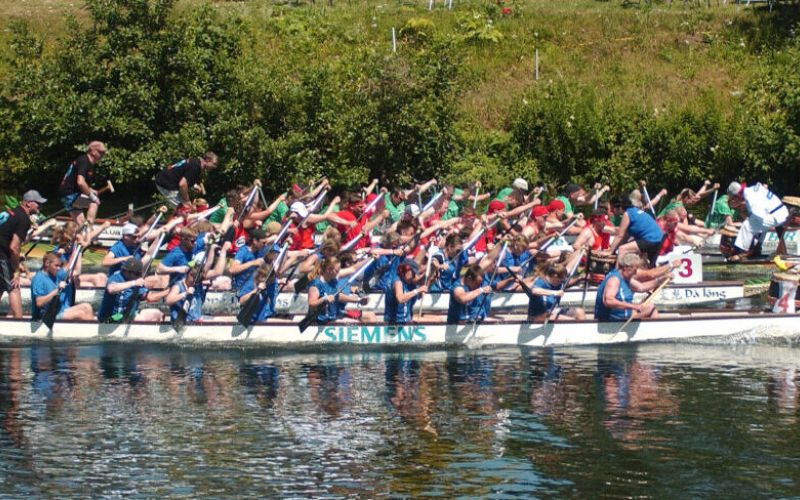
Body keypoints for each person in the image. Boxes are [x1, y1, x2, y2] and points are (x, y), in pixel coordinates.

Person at [0, 190, 45, 318]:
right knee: (14, 288)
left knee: (1, 287)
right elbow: (14, 247)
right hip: (2, 255)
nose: (40, 207)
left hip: (3, 252)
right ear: (28, 203)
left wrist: (31, 233)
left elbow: (19, 241)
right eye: (38, 204)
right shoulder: (23, 218)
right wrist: (16, 271)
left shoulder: (14, 212)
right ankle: (19, 322)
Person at [726, 181, 789, 259]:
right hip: (782, 212)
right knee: (759, 223)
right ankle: (758, 248)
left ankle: (739, 253)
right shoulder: (752, 189)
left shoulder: (749, 198)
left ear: (737, 196)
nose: (733, 201)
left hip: (777, 216)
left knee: (747, 225)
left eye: (733, 199)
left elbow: (757, 216)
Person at [97, 258, 169, 323]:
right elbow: (111, 289)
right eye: (137, 274)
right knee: (140, 319)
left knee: (157, 313)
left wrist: (167, 292)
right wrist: (134, 283)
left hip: (125, 315)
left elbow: (149, 298)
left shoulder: (136, 280)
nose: (139, 276)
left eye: (140, 274)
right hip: (109, 319)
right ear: (127, 272)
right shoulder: (116, 277)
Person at [595, 253, 662, 321]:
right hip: (612, 322)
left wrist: (660, 280)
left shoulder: (625, 278)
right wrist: (634, 306)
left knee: (650, 307)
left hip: (624, 318)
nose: (635, 273)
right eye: (634, 270)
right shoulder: (614, 280)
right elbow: (608, 301)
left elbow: (642, 287)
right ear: (626, 268)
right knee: (649, 308)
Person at [31, 251, 94, 321]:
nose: (58, 268)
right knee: (81, 313)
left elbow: (76, 271)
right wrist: (57, 290)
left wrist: (79, 251)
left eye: (60, 266)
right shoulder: (38, 278)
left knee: (87, 307)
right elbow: (39, 303)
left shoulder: (57, 274)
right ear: (47, 263)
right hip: (46, 317)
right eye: (56, 265)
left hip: (59, 312)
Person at [307, 256, 372, 324]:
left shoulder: (334, 276)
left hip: (334, 314)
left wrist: (370, 258)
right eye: (337, 270)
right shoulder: (316, 285)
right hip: (322, 319)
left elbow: (353, 269)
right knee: (356, 323)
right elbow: (311, 304)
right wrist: (324, 299)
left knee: (370, 316)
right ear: (328, 270)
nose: (339, 273)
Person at [608, 191, 665, 267]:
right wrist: (613, 249)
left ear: (619, 207)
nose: (611, 211)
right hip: (659, 239)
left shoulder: (627, 214)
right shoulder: (635, 211)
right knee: (651, 267)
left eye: (612, 208)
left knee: (622, 249)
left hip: (650, 239)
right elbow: (625, 237)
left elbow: (619, 236)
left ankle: (617, 275)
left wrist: (610, 252)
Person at [58, 141, 107, 224]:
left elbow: (79, 182)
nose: (103, 155)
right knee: (94, 203)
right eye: (101, 152)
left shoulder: (87, 163)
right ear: (93, 151)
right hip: (70, 194)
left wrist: (91, 190)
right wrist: (92, 196)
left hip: (68, 193)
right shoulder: (84, 161)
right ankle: (88, 228)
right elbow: (80, 182)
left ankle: (82, 232)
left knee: (80, 223)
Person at [384, 259, 427, 325]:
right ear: (406, 270)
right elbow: (400, 298)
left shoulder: (407, 282)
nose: (414, 276)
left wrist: (432, 270)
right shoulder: (397, 282)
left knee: (437, 319)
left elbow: (420, 280)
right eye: (413, 273)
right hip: (395, 323)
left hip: (404, 321)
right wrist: (418, 290)